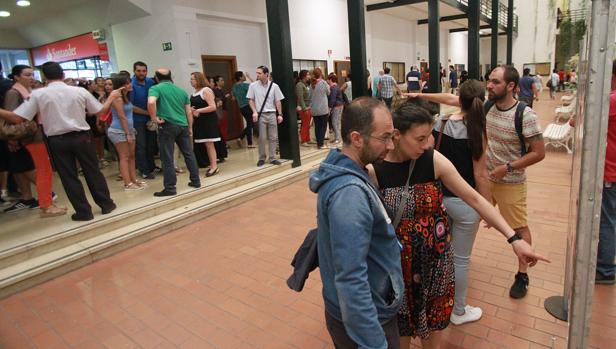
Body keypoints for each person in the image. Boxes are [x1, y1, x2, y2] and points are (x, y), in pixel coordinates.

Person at [369, 100, 548, 348]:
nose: (427, 144)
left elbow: (474, 198)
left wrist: (514, 239)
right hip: (399, 268)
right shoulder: (374, 170)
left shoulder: (432, 160)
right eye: (420, 139)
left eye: (428, 137)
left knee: (434, 330)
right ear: (397, 136)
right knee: (401, 333)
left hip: (436, 263)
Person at [407, 65, 546, 300]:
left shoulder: (525, 115)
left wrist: (508, 167)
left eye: (495, 82)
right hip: (480, 179)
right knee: (469, 218)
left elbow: (539, 153)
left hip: (509, 181)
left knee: (517, 228)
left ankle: (522, 273)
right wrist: (421, 95)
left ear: (511, 86)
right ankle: (456, 261)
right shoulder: (486, 106)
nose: (489, 85)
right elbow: (454, 98)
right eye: (489, 81)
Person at [309, 97, 403, 349]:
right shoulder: (350, 194)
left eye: (392, 136)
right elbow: (351, 279)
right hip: (370, 319)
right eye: (384, 137)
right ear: (357, 138)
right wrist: (373, 343)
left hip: (368, 307)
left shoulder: (350, 171)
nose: (391, 145)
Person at [409, 80, 491, 326]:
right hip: (466, 205)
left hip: (440, 199)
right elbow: (480, 175)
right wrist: (486, 207)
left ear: (459, 98)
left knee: (441, 252)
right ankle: (459, 310)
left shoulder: (439, 123)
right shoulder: (478, 130)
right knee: (461, 259)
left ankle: (434, 299)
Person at [0, 61, 120, 221]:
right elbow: (100, 111)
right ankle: (106, 204)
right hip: (82, 137)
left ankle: (83, 212)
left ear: (44, 76)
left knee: (68, 176)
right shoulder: (78, 91)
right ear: (63, 75)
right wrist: (111, 97)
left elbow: (17, 118)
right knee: (93, 171)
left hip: (57, 140)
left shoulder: (39, 94)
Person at [2, 65, 66, 217]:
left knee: (43, 169)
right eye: (27, 75)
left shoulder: (29, 92)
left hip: (35, 135)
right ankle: (46, 204)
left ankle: (46, 202)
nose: (31, 77)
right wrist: (13, 140)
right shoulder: (13, 93)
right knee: (43, 170)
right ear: (16, 77)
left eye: (32, 74)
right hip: (29, 137)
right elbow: (12, 117)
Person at [147, 68, 201, 196]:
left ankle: (170, 188)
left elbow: (151, 102)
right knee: (189, 154)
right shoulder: (181, 91)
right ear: (171, 77)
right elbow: (188, 111)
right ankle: (195, 181)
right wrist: (190, 127)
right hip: (183, 125)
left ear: (156, 78)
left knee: (167, 157)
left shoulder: (156, 88)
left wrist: (154, 118)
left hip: (167, 126)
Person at [596, 59, 616, 284]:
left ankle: (605, 269)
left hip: (609, 169)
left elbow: (578, 122)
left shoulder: (611, 100)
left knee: (606, 220)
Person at [107, 75, 144, 191]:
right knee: (124, 157)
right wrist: (127, 133)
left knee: (132, 156)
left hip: (129, 129)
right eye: (127, 83)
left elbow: (132, 109)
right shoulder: (117, 98)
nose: (130, 85)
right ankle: (127, 183)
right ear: (122, 85)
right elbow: (122, 117)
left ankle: (133, 179)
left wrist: (149, 113)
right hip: (119, 130)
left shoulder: (125, 97)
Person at [247, 65, 284, 166]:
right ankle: (262, 157)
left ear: (266, 74)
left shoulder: (274, 86)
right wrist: (254, 111)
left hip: (272, 113)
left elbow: (278, 101)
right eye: (257, 73)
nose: (257, 75)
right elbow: (250, 100)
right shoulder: (253, 86)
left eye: (259, 73)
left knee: (273, 137)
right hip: (261, 114)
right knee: (262, 137)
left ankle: (272, 158)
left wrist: (280, 114)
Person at [129, 61, 158, 180]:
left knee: (151, 144)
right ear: (134, 71)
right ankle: (144, 170)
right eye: (139, 71)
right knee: (141, 146)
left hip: (151, 119)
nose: (142, 73)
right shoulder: (131, 85)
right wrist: (148, 113)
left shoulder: (150, 82)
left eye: (144, 71)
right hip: (138, 120)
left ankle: (151, 166)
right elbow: (130, 106)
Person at [190, 72, 220, 177]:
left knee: (209, 144)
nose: (191, 81)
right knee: (206, 145)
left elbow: (213, 106)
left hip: (208, 121)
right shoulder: (195, 92)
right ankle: (212, 163)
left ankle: (214, 166)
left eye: (193, 79)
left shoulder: (206, 90)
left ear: (198, 80)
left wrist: (198, 110)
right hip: (199, 121)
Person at [232, 71, 255, 148]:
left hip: (241, 108)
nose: (245, 77)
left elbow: (233, 98)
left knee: (250, 124)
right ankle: (249, 143)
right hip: (248, 107)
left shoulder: (234, 87)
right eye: (244, 76)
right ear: (240, 77)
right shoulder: (244, 85)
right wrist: (249, 77)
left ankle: (240, 138)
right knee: (250, 124)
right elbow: (255, 85)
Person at [310, 67, 330, 149]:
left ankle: (319, 143)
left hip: (314, 108)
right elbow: (328, 92)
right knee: (323, 126)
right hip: (323, 108)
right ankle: (321, 144)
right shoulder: (324, 83)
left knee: (317, 127)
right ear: (321, 74)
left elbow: (309, 95)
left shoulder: (312, 84)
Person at [295, 70, 312, 147]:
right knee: (305, 124)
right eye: (308, 74)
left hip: (308, 107)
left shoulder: (305, 84)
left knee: (308, 124)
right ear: (304, 76)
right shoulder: (299, 85)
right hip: (303, 108)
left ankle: (307, 139)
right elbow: (300, 98)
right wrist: (304, 108)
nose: (309, 76)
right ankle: (303, 140)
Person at [327, 73, 344, 146]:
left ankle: (337, 139)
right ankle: (338, 137)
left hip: (336, 106)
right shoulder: (337, 86)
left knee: (334, 122)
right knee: (337, 122)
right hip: (340, 105)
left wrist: (330, 108)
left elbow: (332, 99)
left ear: (330, 79)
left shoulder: (333, 88)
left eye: (328, 79)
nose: (327, 81)